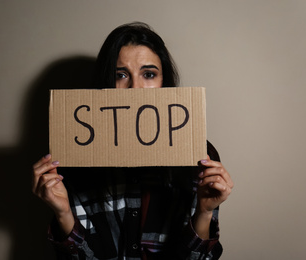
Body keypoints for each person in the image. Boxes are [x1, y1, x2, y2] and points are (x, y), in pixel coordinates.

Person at [32, 22, 233, 260]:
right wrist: (63, 213)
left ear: (164, 83)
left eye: (148, 74)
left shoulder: (198, 153)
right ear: (106, 82)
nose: (135, 88)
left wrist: (204, 212)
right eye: (120, 75)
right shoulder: (75, 151)